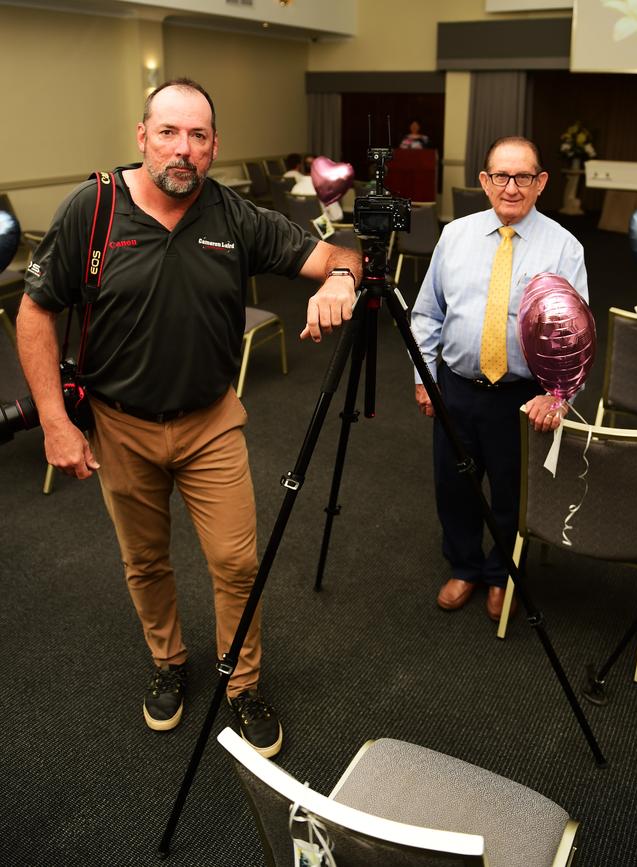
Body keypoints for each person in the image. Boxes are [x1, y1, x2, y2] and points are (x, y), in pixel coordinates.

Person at [16, 78, 360, 757]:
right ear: (142, 136)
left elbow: (340, 253)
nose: (184, 149)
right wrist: (57, 422)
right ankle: (169, 661)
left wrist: (344, 279)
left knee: (237, 562)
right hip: (119, 425)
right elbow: (36, 311)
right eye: (169, 132)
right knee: (145, 562)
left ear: (214, 147)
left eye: (198, 136)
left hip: (210, 423)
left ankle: (243, 683)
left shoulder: (235, 217)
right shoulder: (94, 208)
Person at [411, 136, 588, 622]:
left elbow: (576, 336)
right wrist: (426, 379)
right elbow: (427, 315)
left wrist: (559, 395)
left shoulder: (564, 248)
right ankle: (465, 565)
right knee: (454, 486)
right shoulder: (455, 236)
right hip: (457, 388)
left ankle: (501, 573)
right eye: (501, 177)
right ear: (484, 182)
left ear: (541, 183)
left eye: (524, 177)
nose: (512, 188)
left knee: (512, 495)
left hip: (520, 397)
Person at [290, 152, 344, 223]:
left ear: (302, 168)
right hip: (322, 230)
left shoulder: (295, 189)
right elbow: (337, 216)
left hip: (301, 230)